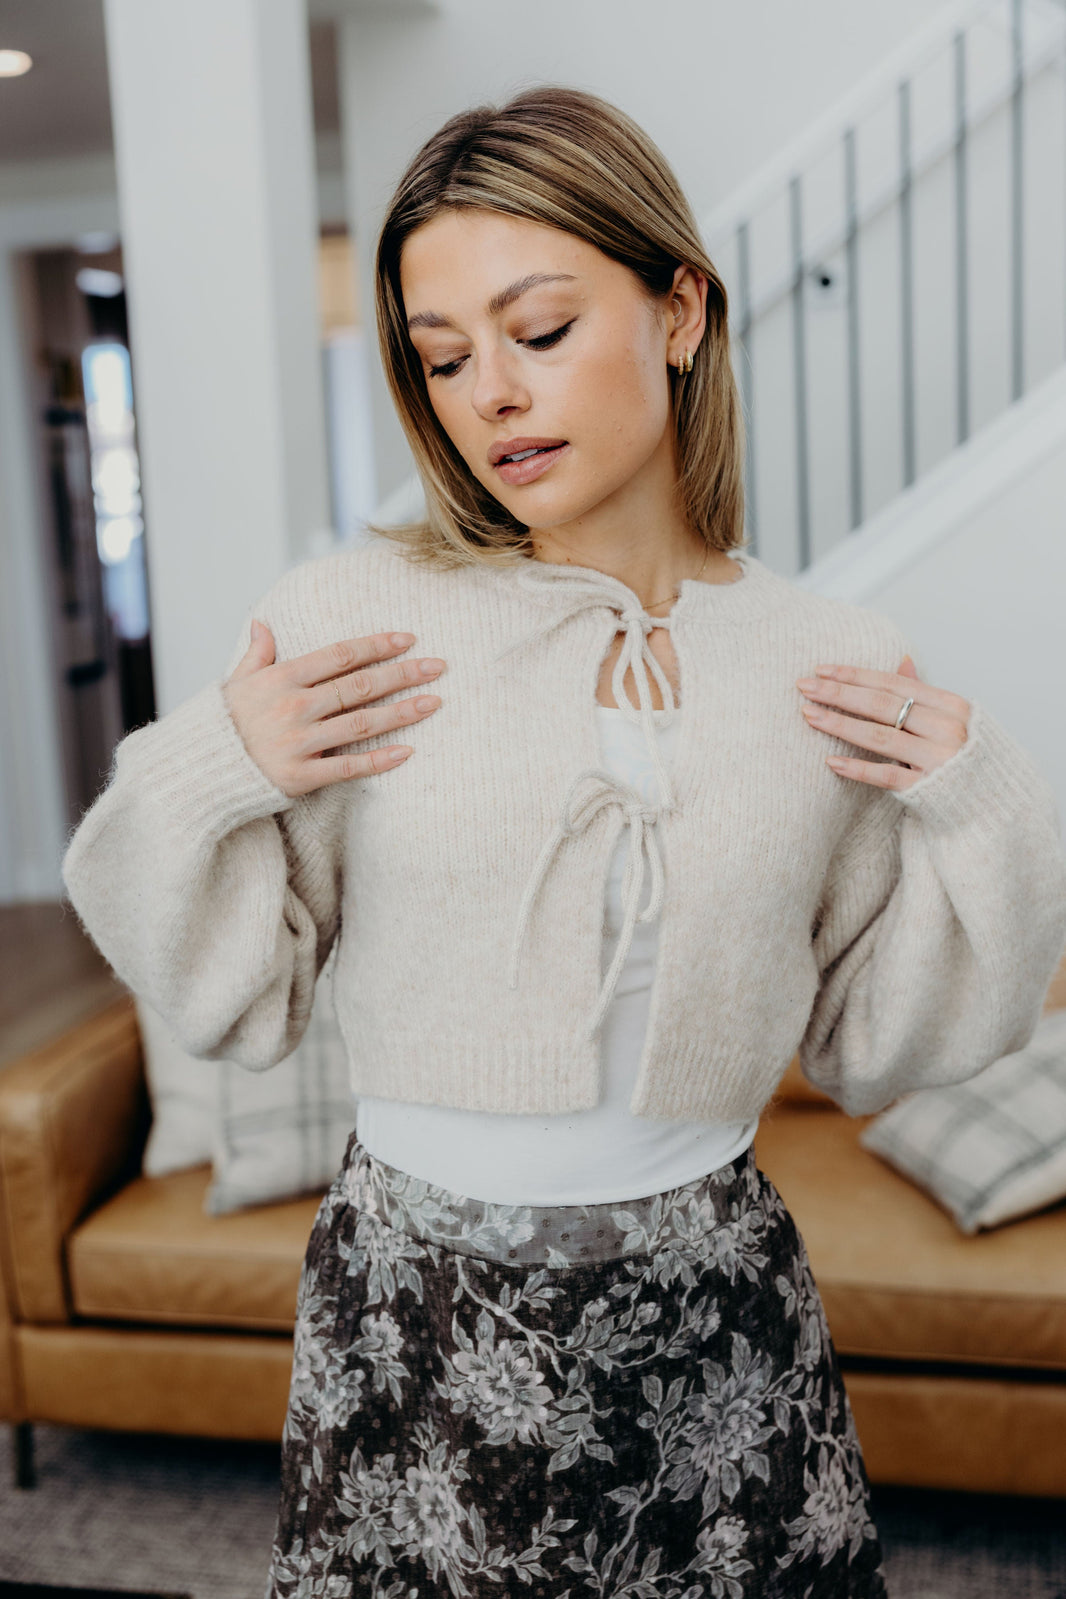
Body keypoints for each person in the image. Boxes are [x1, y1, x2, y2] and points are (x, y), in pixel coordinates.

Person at [62, 85, 1066, 1599]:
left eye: (537, 333)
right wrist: (211, 765)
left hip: (711, 1292)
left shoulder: (825, 653)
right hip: (414, 1297)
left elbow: (879, 1039)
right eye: (444, 356)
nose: (490, 398)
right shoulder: (355, 622)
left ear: (678, 311)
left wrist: (986, 806)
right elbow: (232, 995)